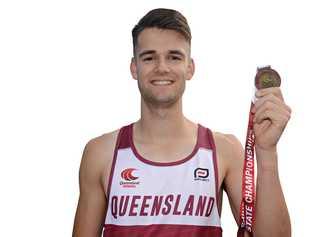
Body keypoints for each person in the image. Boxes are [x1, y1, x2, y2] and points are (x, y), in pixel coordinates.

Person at [72, 8, 291, 237]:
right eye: (149, 57)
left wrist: (267, 155)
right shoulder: (101, 153)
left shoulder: (224, 150)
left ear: (190, 68)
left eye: (174, 57)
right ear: (134, 68)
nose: (162, 67)